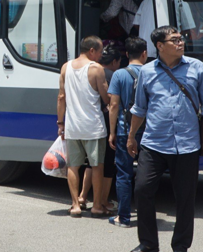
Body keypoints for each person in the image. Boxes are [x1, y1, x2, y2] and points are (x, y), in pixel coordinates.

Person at [125, 26, 203, 252]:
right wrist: (131, 136)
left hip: (186, 144)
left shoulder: (196, 67)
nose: (181, 43)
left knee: (185, 197)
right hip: (154, 143)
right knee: (142, 189)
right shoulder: (146, 72)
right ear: (159, 46)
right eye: (174, 40)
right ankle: (148, 243)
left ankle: (181, 247)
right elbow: (139, 108)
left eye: (181, 39)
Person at [57, 35, 111, 218]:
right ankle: (96, 206)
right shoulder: (96, 69)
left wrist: (60, 123)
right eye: (101, 51)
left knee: (73, 166)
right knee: (97, 166)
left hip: (73, 126)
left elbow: (61, 98)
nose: (101, 55)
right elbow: (106, 97)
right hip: (93, 126)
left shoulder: (66, 67)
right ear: (92, 51)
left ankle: (75, 206)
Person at [107, 36, 148, 228]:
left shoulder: (119, 75)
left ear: (126, 54)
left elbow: (114, 105)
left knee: (123, 174)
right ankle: (147, 216)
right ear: (145, 53)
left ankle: (123, 217)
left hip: (125, 130)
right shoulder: (152, 73)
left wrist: (112, 131)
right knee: (146, 174)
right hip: (149, 132)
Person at [78, 45, 121, 213]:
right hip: (106, 124)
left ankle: (82, 197)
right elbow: (113, 103)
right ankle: (104, 201)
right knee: (107, 164)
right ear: (115, 61)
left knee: (91, 162)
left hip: (90, 123)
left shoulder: (90, 72)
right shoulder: (113, 75)